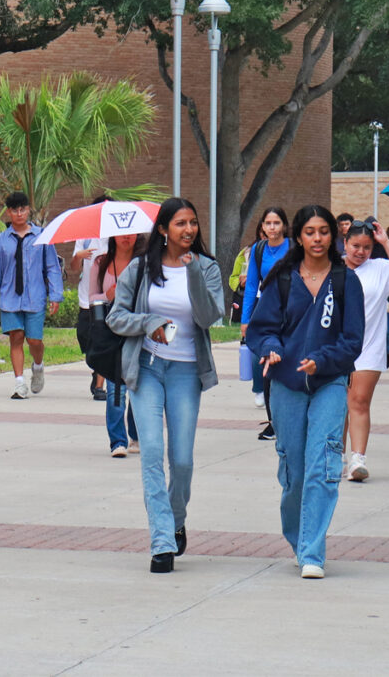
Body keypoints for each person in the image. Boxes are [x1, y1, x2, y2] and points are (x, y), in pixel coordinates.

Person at [246, 205, 365, 579]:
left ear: (334, 236)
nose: (317, 239)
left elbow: (352, 340)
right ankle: (298, 537)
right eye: (310, 232)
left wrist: (322, 360)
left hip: (330, 382)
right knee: (294, 471)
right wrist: (270, 349)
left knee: (322, 464)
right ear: (299, 236)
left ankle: (313, 551)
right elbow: (259, 330)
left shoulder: (347, 282)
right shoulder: (282, 279)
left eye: (324, 232)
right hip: (285, 384)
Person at [106, 197, 224, 573]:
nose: (189, 230)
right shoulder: (141, 268)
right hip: (148, 368)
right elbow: (116, 316)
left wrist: (191, 274)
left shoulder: (206, 268)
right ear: (162, 230)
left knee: (183, 461)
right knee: (153, 452)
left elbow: (208, 317)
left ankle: (175, 521)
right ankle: (161, 541)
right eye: (180, 224)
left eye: (193, 223)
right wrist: (147, 321)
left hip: (187, 372)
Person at [345, 216, 389, 482]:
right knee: (336, 406)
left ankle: (357, 459)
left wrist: (385, 241)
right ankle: (333, 456)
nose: (360, 252)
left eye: (366, 247)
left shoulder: (381, 268)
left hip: (369, 347)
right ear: (345, 243)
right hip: (334, 348)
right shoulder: (332, 268)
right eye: (355, 246)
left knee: (359, 402)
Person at [0, 191, 63, 400]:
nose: (19, 214)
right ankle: (19, 383)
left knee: (34, 340)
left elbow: (52, 267)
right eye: (15, 210)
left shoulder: (42, 237)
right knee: (16, 338)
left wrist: (55, 295)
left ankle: (38, 366)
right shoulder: (0, 241)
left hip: (35, 298)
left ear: (28, 210)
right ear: (9, 212)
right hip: (9, 299)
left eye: (23, 209)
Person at [89, 233, 146, 457]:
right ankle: (117, 441)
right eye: (122, 233)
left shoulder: (145, 263)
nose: (127, 238)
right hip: (110, 332)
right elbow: (91, 297)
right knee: (115, 387)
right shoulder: (101, 263)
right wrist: (108, 294)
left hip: (138, 331)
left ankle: (136, 434)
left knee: (136, 385)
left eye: (131, 233)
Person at [240, 208, 291, 440]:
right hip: (268, 315)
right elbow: (251, 286)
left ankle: (290, 419)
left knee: (289, 364)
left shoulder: (294, 248)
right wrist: (246, 320)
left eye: (277, 222)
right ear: (262, 226)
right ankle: (273, 422)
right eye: (268, 223)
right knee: (268, 367)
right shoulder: (259, 250)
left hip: (293, 314)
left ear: (284, 226)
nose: (272, 227)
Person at [71, 194, 112, 401]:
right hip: (86, 298)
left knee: (103, 341)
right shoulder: (84, 236)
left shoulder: (117, 238)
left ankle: (99, 385)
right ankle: (96, 367)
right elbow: (74, 267)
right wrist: (79, 256)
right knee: (85, 339)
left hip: (108, 299)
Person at [228, 224, 265, 323]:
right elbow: (233, 278)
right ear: (259, 232)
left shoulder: (282, 252)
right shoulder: (246, 253)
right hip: (250, 297)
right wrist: (240, 283)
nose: (266, 234)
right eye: (263, 232)